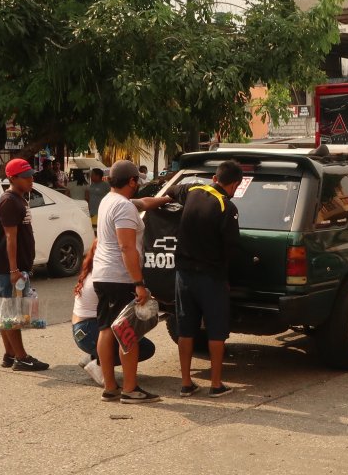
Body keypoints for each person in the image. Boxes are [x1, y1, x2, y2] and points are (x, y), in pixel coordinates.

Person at [91, 160, 171, 403]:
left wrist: (167, 198)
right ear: (133, 181)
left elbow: (145, 203)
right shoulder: (124, 208)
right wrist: (138, 282)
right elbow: (127, 247)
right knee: (129, 333)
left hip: (103, 275)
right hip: (121, 278)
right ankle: (130, 388)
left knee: (106, 329)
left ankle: (110, 386)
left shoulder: (110, 200)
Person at [168, 160, 243, 398]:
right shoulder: (227, 207)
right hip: (211, 278)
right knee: (216, 331)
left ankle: (186, 383)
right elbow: (232, 248)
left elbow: (171, 191)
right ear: (234, 185)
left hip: (183, 276)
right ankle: (216, 384)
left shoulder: (193, 190)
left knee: (186, 330)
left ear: (214, 178)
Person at [72, 241, 156, 385]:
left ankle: (94, 356)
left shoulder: (94, 271)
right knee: (144, 348)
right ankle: (98, 363)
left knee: (141, 343)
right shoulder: (106, 277)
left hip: (82, 330)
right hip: (89, 331)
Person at [0, 158, 49, 371]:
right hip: (9, 267)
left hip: (16, 266)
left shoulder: (18, 199)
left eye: (31, 176)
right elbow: (10, 238)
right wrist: (14, 269)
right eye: (25, 177)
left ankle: (10, 354)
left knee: (8, 309)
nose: (30, 180)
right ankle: (21, 357)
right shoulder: (9, 201)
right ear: (12, 178)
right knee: (11, 312)